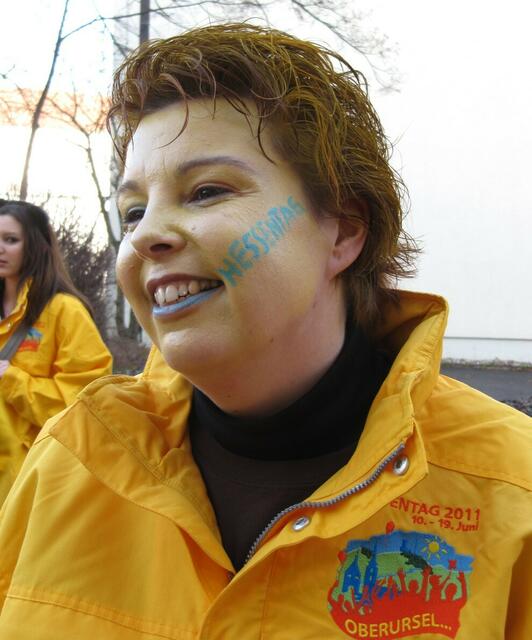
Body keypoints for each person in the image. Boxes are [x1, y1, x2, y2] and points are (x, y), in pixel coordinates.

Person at [0, 23, 530, 639]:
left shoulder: (512, 491)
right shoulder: (72, 459)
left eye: (206, 192)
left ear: (343, 229)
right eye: (133, 212)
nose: (145, 237)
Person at [0, 200, 113, 503]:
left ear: (35, 246)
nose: (0, 248)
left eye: (10, 240)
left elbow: (82, 403)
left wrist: (11, 379)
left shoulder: (65, 311)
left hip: (32, 483)